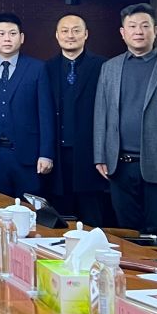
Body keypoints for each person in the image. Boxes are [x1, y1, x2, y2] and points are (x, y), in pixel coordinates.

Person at [94, 3, 157, 233]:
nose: (138, 31)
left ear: (155, 30)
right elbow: (101, 114)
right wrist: (100, 155)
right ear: (123, 33)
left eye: (145, 26)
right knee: (126, 231)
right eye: (132, 26)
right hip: (119, 166)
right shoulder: (110, 68)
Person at [0, 12, 55, 199]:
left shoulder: (37, 68)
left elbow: (46, 114)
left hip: (28, 155)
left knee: (28, 209)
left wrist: (46, 154)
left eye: (12, 33)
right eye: (1, 34)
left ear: (22, 37)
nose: (7, 39)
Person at [45, 13, 107, 226]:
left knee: (93, 221)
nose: (70, 35)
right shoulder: (47, 68)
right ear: (57, 35)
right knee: (59, 223)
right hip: (57, 157)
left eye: (76, 30)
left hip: (91, 156)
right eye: (65, 31)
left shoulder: (103, 66)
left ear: (86, 34)